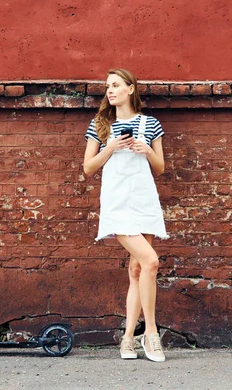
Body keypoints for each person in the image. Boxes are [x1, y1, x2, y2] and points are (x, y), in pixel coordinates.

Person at [83, 68, 169, 362]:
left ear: (131, 89)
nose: (110, 90)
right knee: (151, 261)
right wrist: (110, 147)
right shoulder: (100, 124)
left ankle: (128, 339)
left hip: (143, 201)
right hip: (118, 203)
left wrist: (146, 149)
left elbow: (160, 169)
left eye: (116, 85)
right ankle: (152, 334)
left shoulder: (150, 124)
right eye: (108, 86)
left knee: (137, 271)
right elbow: (88, 168)